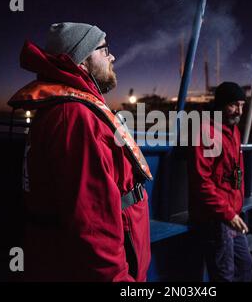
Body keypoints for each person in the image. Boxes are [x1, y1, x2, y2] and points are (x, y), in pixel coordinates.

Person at [8, 22, 152, 281]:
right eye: (104, 49)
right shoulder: (74, 118)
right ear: (81, 61)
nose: (113, 56)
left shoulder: (69, 112)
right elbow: (92, 225)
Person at [188, 82, 252, 282]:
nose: (239, 111)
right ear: (221, 104)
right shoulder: (206, 131)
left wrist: (234, 210)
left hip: (231, 213)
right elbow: (202, 181)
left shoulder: (233, 130)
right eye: (234, 105)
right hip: (215, 218)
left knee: (245, 266)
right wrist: (227, 213)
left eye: (242, 105)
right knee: (224, 275)